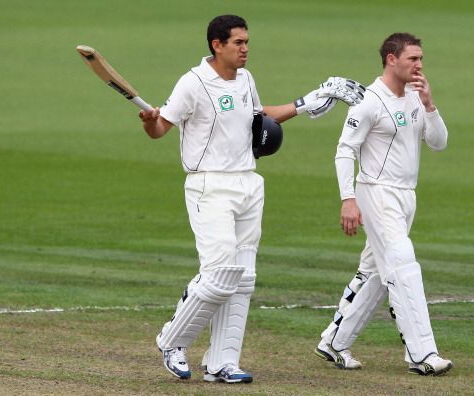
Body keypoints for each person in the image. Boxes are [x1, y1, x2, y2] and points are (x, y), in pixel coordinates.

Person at [139, 14, 365, 384]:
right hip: (209, 186)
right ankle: (172, 341)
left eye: (247, 42)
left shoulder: (245, 79)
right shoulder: (193, 83)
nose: (245, 49)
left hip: (249, 183)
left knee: (242, 278)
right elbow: (160, 128)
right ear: (217, 44)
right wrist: (150, 120)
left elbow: (260, 118)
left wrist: (308, 101)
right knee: (219, 275)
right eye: (238, 43)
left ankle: (222, 363)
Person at [314, 32, 453, 376]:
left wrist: (430, 104)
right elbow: (345, 150)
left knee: (377, 272)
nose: (419, 65)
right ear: (392, 59)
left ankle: (334, 340)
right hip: (375, 192)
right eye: (413, 59)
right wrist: (348, 199)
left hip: (406, 195)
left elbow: (439, 143)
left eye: (421, 59)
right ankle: (422, 354)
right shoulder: (369, 101)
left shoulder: (415, 97)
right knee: (403, 264)